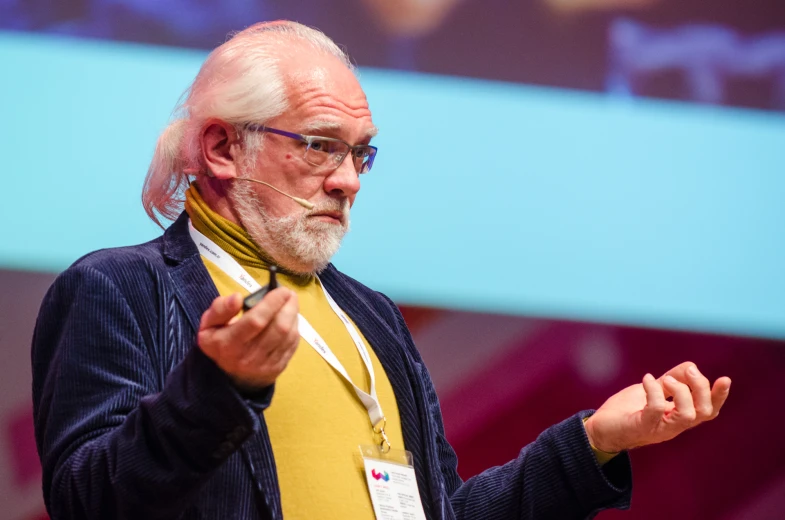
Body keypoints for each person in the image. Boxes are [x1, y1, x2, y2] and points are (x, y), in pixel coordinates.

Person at [31, 20, 731, 520]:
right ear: (220, 147)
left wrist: (592, 443)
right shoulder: (120, 289)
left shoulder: (370, 315)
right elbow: (91, 502)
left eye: (360, 154)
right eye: (319, 147)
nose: (348, 182)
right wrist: (216, 390)